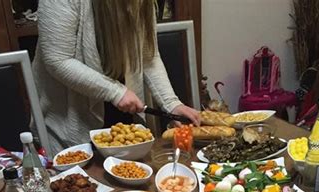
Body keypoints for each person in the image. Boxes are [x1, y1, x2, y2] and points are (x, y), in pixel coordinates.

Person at [33, 0, 200, 154]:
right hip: (72, 116)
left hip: (124, 108)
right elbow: (58, 60)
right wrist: (115, 92)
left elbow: (148, 55)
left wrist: (171, 103)